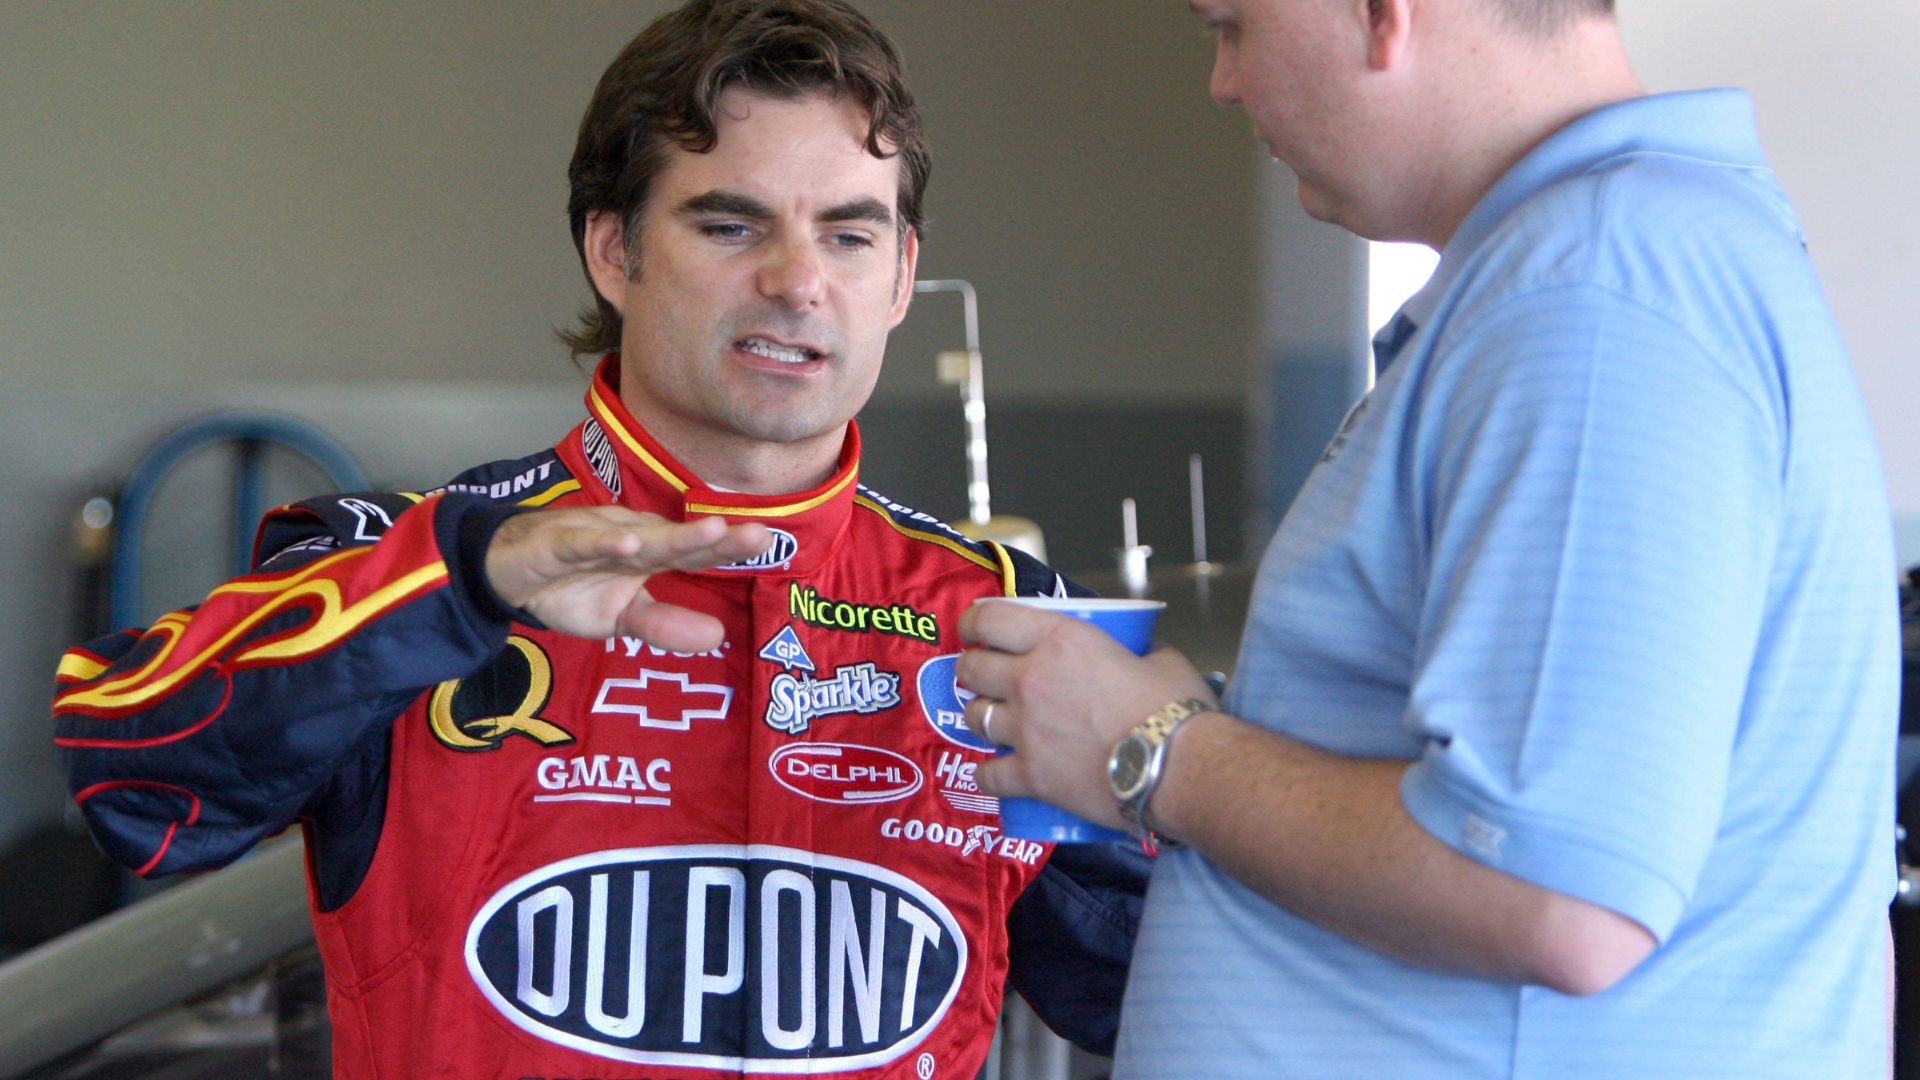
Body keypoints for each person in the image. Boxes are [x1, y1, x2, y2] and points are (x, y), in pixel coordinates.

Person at [51, 2, 1147, 1076]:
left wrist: (1190, 772)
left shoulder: (1004, 618)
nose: (798, 282)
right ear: (613, 251)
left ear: (902, 275)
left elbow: (1161, 993)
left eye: (849, 233)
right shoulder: (410, 564)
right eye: (731, 224)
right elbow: (128, 774)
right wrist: (464, 583)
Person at [956, 0, 1899, 1076]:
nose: (1224, 83)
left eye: (1233, 28)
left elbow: (1557, 892)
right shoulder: (1620, 264)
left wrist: (1155, 750)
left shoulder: (1599, 287)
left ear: (1380, 14)